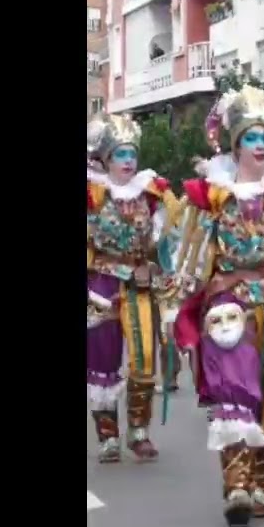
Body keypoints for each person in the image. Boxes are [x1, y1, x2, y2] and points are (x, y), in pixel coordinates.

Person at [165, 85, 264, 527]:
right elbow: (189, 250)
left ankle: (261, 482)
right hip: (228, 302)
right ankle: (237, 485)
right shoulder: (211, 194)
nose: (260, 145)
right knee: (234, 388)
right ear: (235, 144)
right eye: (251, 137)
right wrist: (180, 296)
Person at [87, 114, 175, 464]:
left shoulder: (150, 195)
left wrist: (155, 269)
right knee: (102, 360)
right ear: (106, 159)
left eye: (131, 154)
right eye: (120, 154)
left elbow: (164, 244)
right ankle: (108, 435)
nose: (127, 161)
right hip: (101, 282)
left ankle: (139, 429)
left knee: (144, 359)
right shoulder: (92, 194)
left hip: (139, 283)